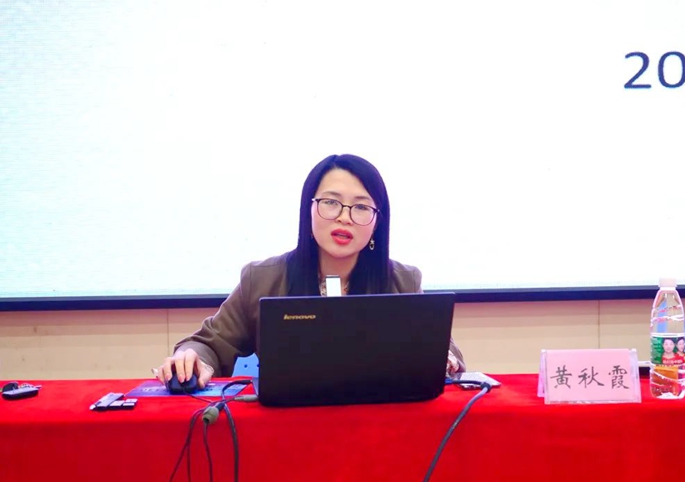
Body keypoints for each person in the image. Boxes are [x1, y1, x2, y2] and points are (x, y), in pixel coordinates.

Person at [154, 154, 466, 388]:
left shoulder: (403, 281)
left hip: (379, 428)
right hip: (285, 428)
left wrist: (444, 360)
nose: (344, 217)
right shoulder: (262, 279)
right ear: (309, 209)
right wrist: (192, 358)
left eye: (361, 207)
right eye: (331, 202)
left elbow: (445, 351)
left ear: (377, 222)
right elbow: (208, 344)